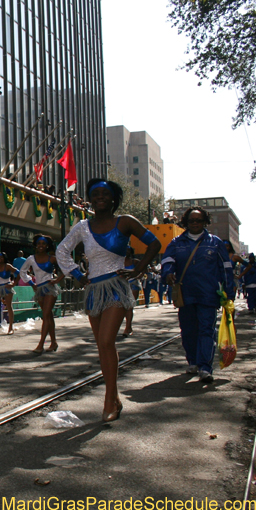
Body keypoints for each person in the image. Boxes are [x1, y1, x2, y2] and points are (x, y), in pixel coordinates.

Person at [57, 179, 162, 421]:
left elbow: (154, 243)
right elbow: (61, 250)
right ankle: (114, 398)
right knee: (104, 347)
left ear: (113, 198)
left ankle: (108, 400)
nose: (100, 197)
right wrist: (76, 274)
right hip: (93, 290)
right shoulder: (83, 226)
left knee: (106, 341)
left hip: (116, 287)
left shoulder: (124, 221)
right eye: (95, 194)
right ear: (90, 199)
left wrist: (138, 270)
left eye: (105, 194)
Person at [160, 206, 234, 384]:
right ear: (186, 222)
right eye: (191, 221)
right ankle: (193, 361)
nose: (195, 223)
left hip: (208, 295)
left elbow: (226, 269)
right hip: (185, 295)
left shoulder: (216, 243)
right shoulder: (177, 242)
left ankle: (205, 367)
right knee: (188, 331)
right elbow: (167, 260)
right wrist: (168, 273)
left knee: (206, 330)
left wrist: (228, 292)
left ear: (205, 222)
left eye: (198, 220)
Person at [20, 235, 65, 353]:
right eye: (39, 243)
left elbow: (66, 269)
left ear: (47, 246)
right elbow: (22, 271)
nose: (41, 246)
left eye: (43, 244)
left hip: (50, 288)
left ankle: (41, 344)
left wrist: (57, 280)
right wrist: (31, 283)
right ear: (35, 244)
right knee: (48, 316)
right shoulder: (30, 258)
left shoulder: (52, 258)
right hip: (39, 289)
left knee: (45, 316)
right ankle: (54, 342)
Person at [122, 247, 141, 337]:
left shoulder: (135, 261)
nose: (126, 252)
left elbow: (144, 268)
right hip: (121, 285)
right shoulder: (118, 262)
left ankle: (128, 327)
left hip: (133, 284)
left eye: (128, 251)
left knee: (129, 306)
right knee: (121, 307)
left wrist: (138, 276)